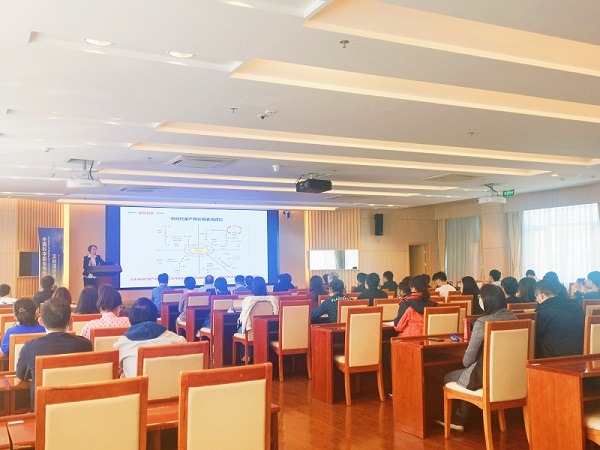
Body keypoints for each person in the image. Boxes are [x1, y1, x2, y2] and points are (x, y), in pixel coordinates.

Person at [436, 284, 517, 432]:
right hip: (509, 375)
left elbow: (467, 361)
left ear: (487, 300)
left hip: (486, 376)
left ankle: (458, 418)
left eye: (480, 297)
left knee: (450, 376)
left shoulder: (482, 322)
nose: (478, 300)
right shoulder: (513, 317)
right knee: (468, 374)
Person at [16, 298, 92, 411]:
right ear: (70, 321)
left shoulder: (30, 348)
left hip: (43, 411)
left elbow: (22, 375)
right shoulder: (85, 344)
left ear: (40, 321)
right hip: (79, 408)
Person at [113, 297, 186, 378]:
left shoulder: (121, 344)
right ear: (156, 318)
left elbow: (117, 370)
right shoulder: (178, 340)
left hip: (138, 386)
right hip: (173, 385)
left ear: (130, 320)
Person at [534, 280, 585, 359]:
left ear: (540, 295)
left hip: (556, 358)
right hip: (582, 354)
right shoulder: (576, 305)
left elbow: (535, 334)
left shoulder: (542, 311)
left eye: (536, 297)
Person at [236, 277, 278, 360]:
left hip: (251, 330)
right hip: (268, 329)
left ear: (253, 286)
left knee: (240, 330)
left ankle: (246, 355)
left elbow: (243, 317)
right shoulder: (272, 299)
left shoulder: (248, 300)